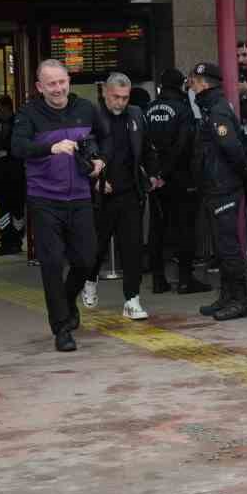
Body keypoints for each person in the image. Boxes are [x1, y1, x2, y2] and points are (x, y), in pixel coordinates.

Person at [12, 60, 105, 353]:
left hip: (80, 197)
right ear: (40, 87)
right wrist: (49, 148)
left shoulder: (86, 109)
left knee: (87, 260)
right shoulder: (29, 114)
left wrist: (101, 160)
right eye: (51, 84)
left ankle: (66, 300)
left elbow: (104, 139)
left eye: (62, 81)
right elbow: (18, 147)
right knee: (51, 264)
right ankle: (62, 328)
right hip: (44, 199)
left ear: (69, 81)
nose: (58, 88)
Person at [188, 63, 247, 320]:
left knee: (228, 246)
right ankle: (228, 296)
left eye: (193, 81)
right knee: (221, 244)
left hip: (223, 186)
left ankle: (240, 300)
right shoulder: (210, 107)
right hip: (215, 186)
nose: (191, 86)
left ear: (204, 83)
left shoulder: (216, 110)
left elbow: (232, 148)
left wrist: (246, 173)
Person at [90, 73, 158, 321]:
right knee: (96, 247)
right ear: (105, 94)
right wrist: (96, 179)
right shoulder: (92, 117)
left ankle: (132, 299)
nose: (120, 102)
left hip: (130, 191)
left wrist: (153, 174)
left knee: (132, 248)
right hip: (102, 194)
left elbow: (146, 147)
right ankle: (89, 279)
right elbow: (84, 153)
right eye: (115, 97)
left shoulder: (136, 115)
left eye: (125, 98)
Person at [145, 69, 208, 296]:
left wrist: (156, 174)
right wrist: (167, 171)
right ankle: (184, 279)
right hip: (180, 177)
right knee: (185, 228)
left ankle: (158, 280)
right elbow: (183, 145)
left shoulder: (148, 109)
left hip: (155, 180)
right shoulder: (183, 110)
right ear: (181, 85)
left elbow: (144, 145)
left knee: (157, 228)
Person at [0, 95, 26, 256]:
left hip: (16, 174)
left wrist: (8, 153)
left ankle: (16, 241)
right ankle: (5, 241)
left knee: (17, 210)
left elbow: (22, 147)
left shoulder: (18, 125)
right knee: (2, 210)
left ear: (7, 108)